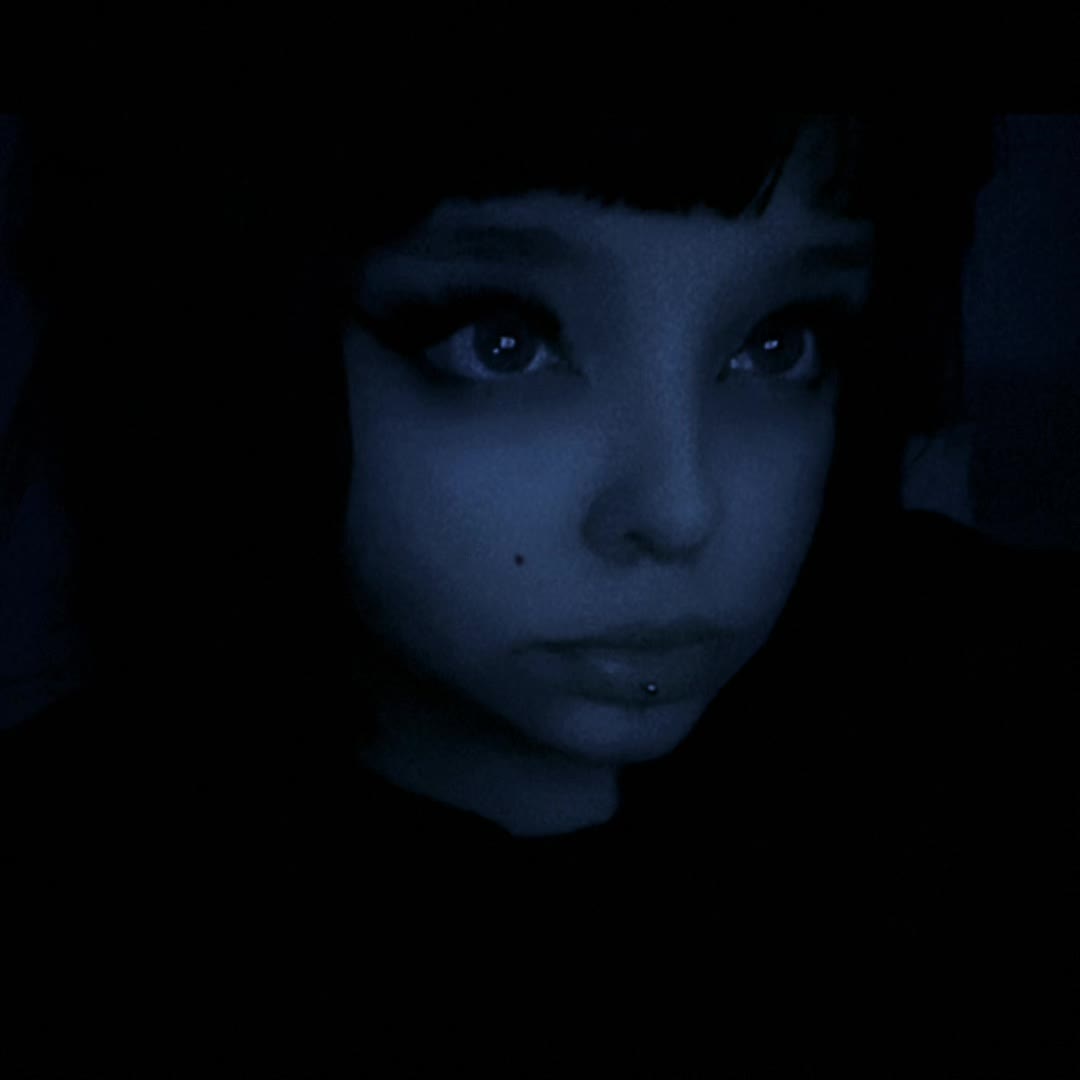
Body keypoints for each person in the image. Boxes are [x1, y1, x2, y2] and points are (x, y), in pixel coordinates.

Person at [0, 107, 1076, 1072]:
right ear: (227, 343)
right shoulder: (83, 896)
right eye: (503, 341)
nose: (680, 508)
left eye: (778, 341)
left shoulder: (982, 720)